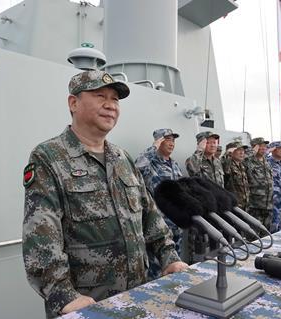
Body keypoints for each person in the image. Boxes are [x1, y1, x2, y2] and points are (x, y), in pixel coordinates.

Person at [22, 70, 188, 318]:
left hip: (137, 296)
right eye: (100, 96)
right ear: (73, 103)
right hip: (88, 305)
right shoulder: (49, 157)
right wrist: (63, 295)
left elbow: (149, 215)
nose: (110, 106)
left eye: (115, 99)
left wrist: (169, 257)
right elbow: (41, 235)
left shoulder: (122, 158)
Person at [135, 128, 184, 279]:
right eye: (167, 139)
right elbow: (137, 167)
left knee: (176, 264)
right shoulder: (150, 164)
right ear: (159, 141)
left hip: (176, 222)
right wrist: (153, 147)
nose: (171, 143)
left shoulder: (174, 165)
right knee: (156, 267)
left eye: (173, 140)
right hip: (158, 225)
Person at [244, 137, 273, 229]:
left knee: (266, 233)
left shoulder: (266, 162)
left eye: (265, 146)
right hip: (255, 204)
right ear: (254, 147)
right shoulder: (248, 161)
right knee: (254, 234)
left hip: (268, 203)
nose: (264, 148)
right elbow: (242, 160)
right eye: (260, 146)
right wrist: (252, 152)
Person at [267, 141, 281, 233]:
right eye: (279, 148)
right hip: (273, 201)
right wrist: (268, 151)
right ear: (273, 150)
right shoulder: (268, 162)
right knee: (273, 228)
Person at [223, 141, 250, 211]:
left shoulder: (242, 166)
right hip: (234, 206)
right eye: (238, 150)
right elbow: (224, 163)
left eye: (243, 150)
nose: (242, 153)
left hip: (245, 205)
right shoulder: (227, 164)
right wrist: (228, 154)